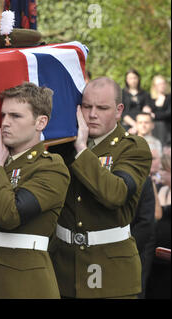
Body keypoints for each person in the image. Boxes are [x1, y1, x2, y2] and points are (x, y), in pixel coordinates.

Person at [49, 77, 152, 298]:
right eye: (87, 106)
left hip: (110, 272)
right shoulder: (61, 147)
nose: (93, 114)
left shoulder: (133, 147)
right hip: (64, 269)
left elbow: (115, 194)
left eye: (102, 108)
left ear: (118, 110)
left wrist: (82, 150)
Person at [0, 82, 70, 298]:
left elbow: (9, 215)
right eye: (3, 115)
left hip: (24, 285)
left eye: (16, 116)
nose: (5, 123)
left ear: (40, 122)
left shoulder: (50, 166)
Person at [146, 153, 171, 299]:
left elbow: (159, 212)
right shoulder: (162, 189)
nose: (159, 172)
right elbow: (156, 213)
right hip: (156, 256)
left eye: (163, 170)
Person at [121, 69, 150, 134]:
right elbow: (122, 112)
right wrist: (135, 125)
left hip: (142, 125)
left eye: (135, 78)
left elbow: (147, 108)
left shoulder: (145, 93)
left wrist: (147, 108)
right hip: (126, 124)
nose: (133, 80)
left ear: (138, 79)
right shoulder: (122, 93)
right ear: (126, 80)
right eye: (130, 78)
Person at [144, 75, 171, 144]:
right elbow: (147, 110)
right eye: (159, 84)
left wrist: (154, 115)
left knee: (161, 125)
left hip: (167, 126)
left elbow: (168, 113)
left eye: (163, 83)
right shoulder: (150, 97)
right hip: (152, 126)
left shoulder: (169, 97)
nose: (162, 86)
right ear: (154, 86)